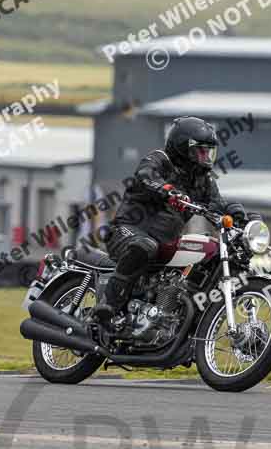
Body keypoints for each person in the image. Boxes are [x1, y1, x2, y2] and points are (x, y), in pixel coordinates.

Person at [96, 116, 247, 328]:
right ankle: (107, 305)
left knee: (206, 250)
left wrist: (239, 215)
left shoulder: (202, 180)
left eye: (208, 151)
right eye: (200, 150)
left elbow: (216, 204)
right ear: (182, 148)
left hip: (165, 242)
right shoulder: (159, 160)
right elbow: (145, 175)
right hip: (127, 231)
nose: (205, 157)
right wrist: (167, 190)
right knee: (145, 246)